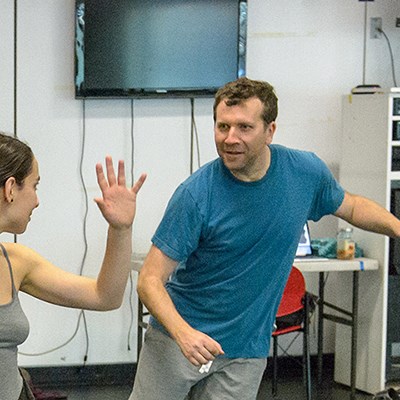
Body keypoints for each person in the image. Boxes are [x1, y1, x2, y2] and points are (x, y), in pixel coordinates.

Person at [130, 77, 400, 400]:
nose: (230, 138)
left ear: (270, 130)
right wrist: (183, 333)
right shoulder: (195, 196)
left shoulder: (304, 173)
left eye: (244, 127)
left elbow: (352, 206)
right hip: (178, 341)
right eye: (222, 126)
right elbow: (149, 280)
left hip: (245, 351)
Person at [0, 132, 146, 400]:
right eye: (35, 186)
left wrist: (120, 229)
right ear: (11, 189)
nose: (37, 200)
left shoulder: (15, 261)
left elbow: (106, 296)